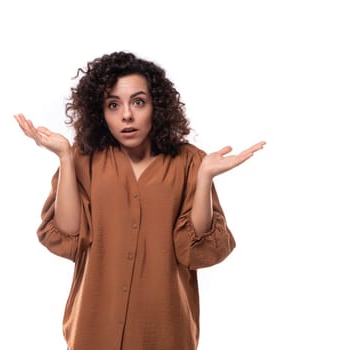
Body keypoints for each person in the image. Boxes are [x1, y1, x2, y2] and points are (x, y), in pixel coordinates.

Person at [14, 51, 265, 350]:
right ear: (100, 112)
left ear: (156, 106)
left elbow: (195, 250)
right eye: (113, 105)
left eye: (138, 102)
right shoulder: (84, 159)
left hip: (163, 331)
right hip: (94, 330)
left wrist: (205, 178)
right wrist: (65, 157)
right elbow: (69, 235)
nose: (127, 115)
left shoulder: (190, 162)